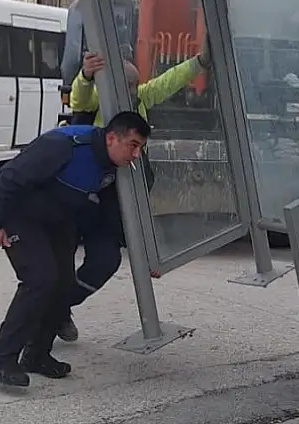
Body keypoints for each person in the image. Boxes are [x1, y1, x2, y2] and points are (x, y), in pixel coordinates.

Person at [0, 111, 152, 387]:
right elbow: (10, 176)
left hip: (58, 223)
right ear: (111, 138)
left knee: (61, 286)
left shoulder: (114, 166)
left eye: (140, 148)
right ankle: (1, 359)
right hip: (21, 217)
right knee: (40, 279)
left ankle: (36, 355)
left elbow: (114, 218)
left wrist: (144, 255)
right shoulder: (67, 145)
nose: (136, 154)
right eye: (133, 145)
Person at [55, 46, 211, 342]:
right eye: (127, 85)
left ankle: (59, 307)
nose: (133, 91)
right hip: (82, 196)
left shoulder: (139, 98)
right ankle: (50, 315)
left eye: (135, 85)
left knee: (104, 261)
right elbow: (80, 98)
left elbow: (169, 81)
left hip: (114, 201)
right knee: (57, 262)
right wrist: (87, 75)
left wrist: (199, 63)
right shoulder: (97, 101)